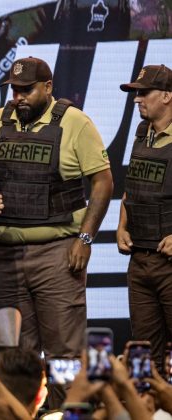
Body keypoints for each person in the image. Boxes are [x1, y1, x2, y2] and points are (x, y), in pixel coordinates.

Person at [0, 57, 113, 367]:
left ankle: (67, 414)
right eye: (14, 90)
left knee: (64, 352)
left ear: (48, 86)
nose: (18, 98)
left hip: (57, 254)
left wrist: (85, 238)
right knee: (15, 355)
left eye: (26, 90)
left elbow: (103, 182)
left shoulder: (75, 122)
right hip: (5, 255)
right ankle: (22, 413)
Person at [117, 64, 172, 371]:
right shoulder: (142, 133)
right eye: (135, 93)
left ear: (166, 95)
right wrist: (122, 225)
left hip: (169, 264)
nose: (137, 99)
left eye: (144, 93)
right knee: (144, 356)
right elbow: (132, 188)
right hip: (140, 260)